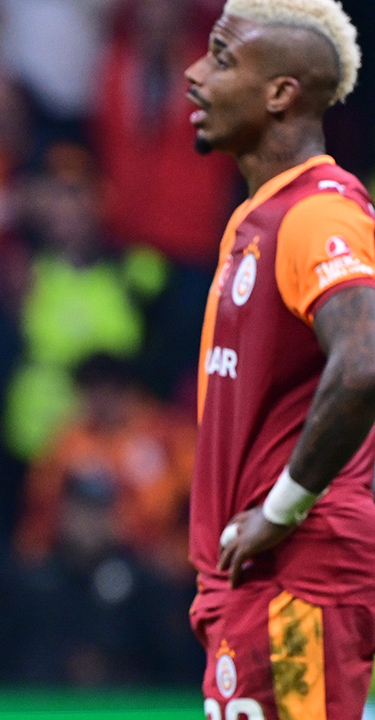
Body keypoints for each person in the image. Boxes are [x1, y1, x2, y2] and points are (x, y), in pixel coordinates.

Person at [184, 2, 375, 718]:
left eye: (221, 59)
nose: (194, 74)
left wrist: (281, 509)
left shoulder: (318, 213)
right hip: (255, 579)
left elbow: (365, 362)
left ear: (280, 92)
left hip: (299, 577)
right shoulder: (255, 217)